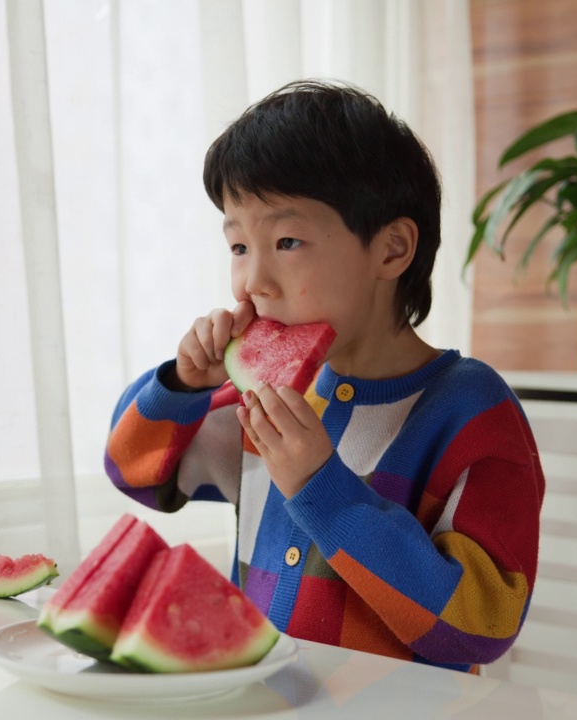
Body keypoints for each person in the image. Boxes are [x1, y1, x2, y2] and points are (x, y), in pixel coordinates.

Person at [103, 80, 545, 673]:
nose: (252, 281)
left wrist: (324, 491)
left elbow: (477, 629)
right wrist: (181, 387)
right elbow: (134, 475)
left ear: (391, 250)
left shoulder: (472, 411)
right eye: (238, 246)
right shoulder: (260, 398)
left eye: (286, 241)